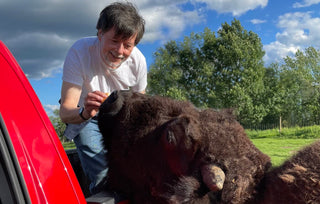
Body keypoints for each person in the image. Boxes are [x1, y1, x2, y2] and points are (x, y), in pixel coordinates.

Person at [59, 2, 147, 195]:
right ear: (100, 33)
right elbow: (66, 112)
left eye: (128, 45)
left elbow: (139, 107)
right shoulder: (79, 52)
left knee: (136, 168)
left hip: (119, 117)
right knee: (104, 175)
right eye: (115, 41)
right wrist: (84, 112)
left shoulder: (138, 61)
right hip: (86, 117)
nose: (120, 51)